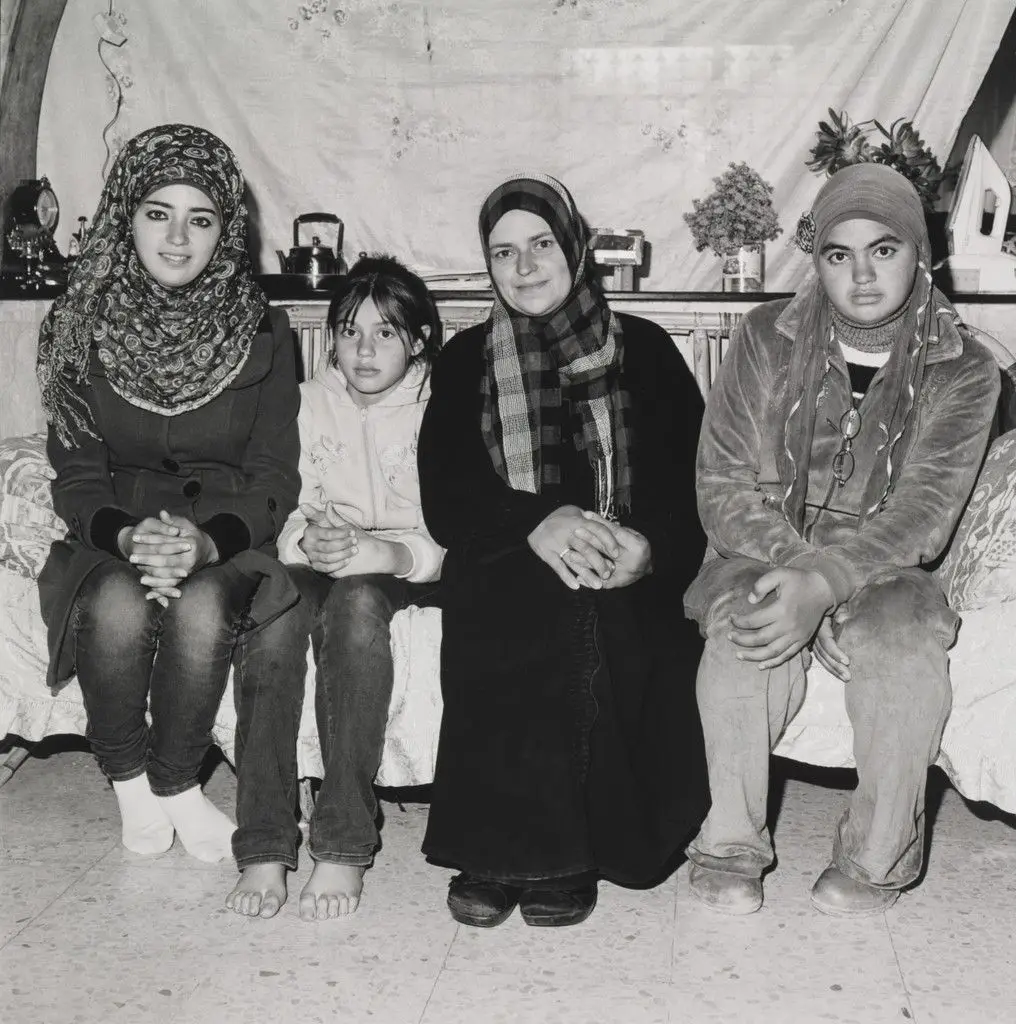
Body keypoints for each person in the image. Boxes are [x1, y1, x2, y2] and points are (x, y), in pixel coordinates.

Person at [684, 163, 1000, 917]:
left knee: (902, 638)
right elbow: (723, 483)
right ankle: (730, 846)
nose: (861, 275)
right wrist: (804, 583)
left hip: (890, 563)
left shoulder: (968, 366)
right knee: (749, 623)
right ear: (816, 260)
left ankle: (876, 860)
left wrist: (831, 584)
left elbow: (925, 513)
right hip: (761, 545)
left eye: (883, 251)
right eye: (838, 254)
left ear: (920, 254)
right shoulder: (765, 335)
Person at [417, 173, 709, 928]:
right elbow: (447, 500)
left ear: (575, 248)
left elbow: (696, 489)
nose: (523, 266)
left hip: (627, 566)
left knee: (585, 601)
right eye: (503, 251)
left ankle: (567, 852)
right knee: (509, 590)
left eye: (541, 244)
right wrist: (538, 523)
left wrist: (648, 546)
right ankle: (497, 849)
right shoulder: (465, 360)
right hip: (506, 553)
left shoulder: (643, 351)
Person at [36, 123, 300, 864]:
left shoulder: (265, 330)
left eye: (202, 218)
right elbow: (77, 474)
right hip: (112, 534)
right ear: (126, 215)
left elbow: (275, 475)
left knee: (202, 600)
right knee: (116, 602)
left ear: (227, 229)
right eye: (159, 213)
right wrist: (126, 537)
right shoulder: (73, 330)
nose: (179, 238)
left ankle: (176, 776)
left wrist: (208, 540)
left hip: (225, 534)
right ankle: (135, 781)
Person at [226, 254, 445, 920]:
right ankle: (264, 841)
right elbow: (288, 503)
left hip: (403, 565)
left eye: (386, 332)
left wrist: (387, 553)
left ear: (419, 341)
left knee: (354, 611)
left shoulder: (443, 403)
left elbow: (460, 526)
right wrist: (305, 542)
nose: (365, 349)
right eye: (351, 332)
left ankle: (343, 843)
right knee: (273, 614)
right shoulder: (307, 401)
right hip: (322, 555)